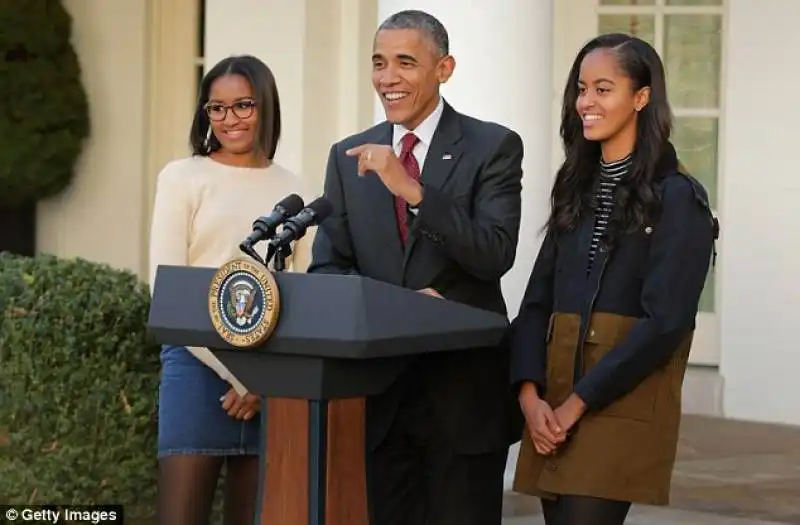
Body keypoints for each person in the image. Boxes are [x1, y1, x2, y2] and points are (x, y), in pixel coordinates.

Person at [307, 9, 525, 525]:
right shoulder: (348, 157)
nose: (388, 77)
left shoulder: (493, 146)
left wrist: (416, 193)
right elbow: (329, 271)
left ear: (443, 68)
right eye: (379, 63)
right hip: (380, 403)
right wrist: (398, 311)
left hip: (463, 400)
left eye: (406, 62)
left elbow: (495, 252)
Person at [509, 33, 719, 525]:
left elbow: (666, 321)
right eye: (582, 89)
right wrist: (529, 395)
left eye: (603, 89)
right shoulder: (575, 185)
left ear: (641, 97)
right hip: (554, 397)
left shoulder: (678, 197)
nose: (586, 102)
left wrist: (577, 405)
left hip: (616, 400)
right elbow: (537, 299)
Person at [148, 55, 309, 525]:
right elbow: (168, 287)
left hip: (269, 377)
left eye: (243, 105)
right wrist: (239, 376)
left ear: (266, 107)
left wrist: (261, 380)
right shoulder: (182, 177)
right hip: (196, 363)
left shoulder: (293, 189)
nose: (228, 119)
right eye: (216, 108)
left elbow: (301, 292)